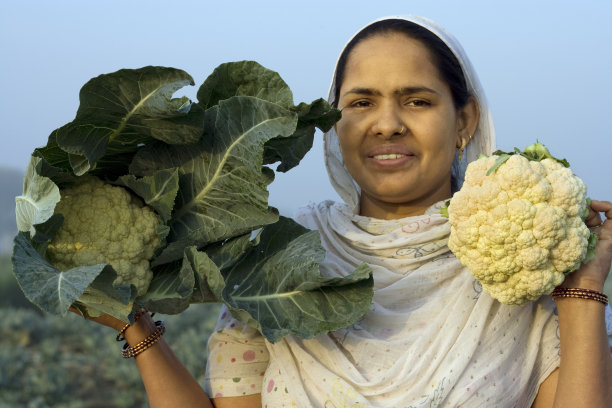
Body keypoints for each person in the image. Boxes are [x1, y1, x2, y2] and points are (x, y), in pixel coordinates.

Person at [81, 15, 612, 407]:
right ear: (337, 123)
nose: (386, 124)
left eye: (417, 101)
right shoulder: (280, 254)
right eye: (361, 103)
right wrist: (135, 326)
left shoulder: (522, 271)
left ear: (465, 121)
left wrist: (583, 292)